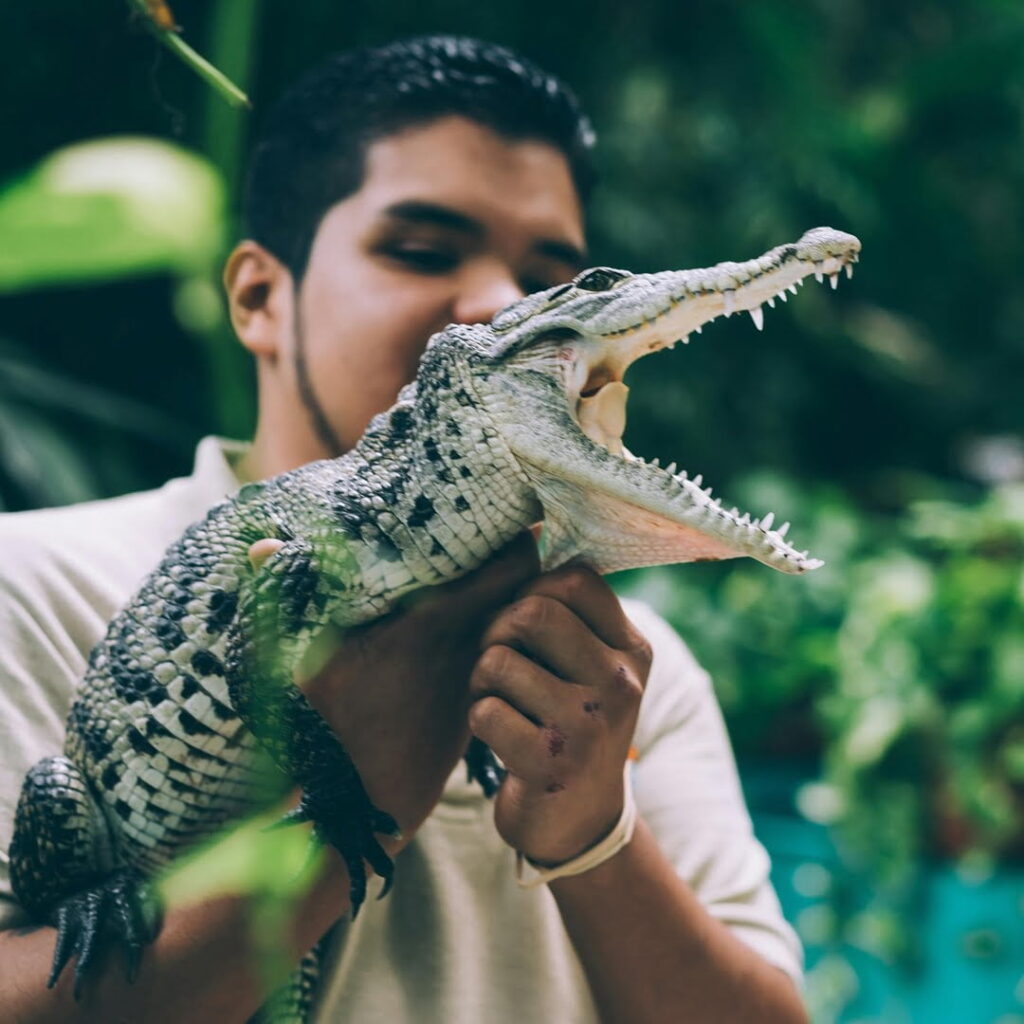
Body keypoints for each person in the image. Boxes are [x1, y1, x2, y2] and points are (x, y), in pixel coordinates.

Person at [0, 36, 807, 1023]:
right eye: (420, 250)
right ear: (258, 296)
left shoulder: (640, 668)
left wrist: (593, 827)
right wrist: (356, 793)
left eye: (549, 279)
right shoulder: (25, 585)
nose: (495, 304)